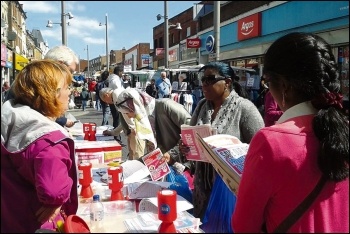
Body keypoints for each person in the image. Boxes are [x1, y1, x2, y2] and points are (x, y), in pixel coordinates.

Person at [232, 32, 349, 233]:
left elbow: (243, 226)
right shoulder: (343, 129)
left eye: (268, 83)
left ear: (284, 86)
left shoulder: (270, 142)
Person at [170, 61, 264, 232]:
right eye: (202, 79)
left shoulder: (245, 108)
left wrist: (229, 152)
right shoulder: (201, 106)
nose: (203, 84)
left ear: (227, 82)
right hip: (202, 188)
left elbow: (261, 150)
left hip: (229, 190)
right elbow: (188, 139)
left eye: (210, 79)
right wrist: (185, 149)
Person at [1, 60, 78, 233]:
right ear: (52, 93)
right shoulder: (48, 139)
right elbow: (53, 190)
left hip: (12, 218)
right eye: (66, 87)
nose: (69, 92)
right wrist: (57, 201)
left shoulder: (11, 118)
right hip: (39, 224)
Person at [5, 45, 79, 128]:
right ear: (60, 64)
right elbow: (42, 113)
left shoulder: (31, 78)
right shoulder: (34, 81)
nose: (71, 76)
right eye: (70, 71)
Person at [114, 88, 192, 160]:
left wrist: (173, 153)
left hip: (184, 163)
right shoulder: (143, 119)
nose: (129, 116)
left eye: (127, 112)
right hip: (166, 164)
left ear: (136, 105)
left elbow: (192, 130)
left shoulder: (166, 106)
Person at [107, 66, 125, 140]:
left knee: (117, 118)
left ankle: (116, 136)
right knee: (117, 119)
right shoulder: (115, 79)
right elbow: (118, 89)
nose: (122, 74)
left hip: (114, 100)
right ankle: (116, 137)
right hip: (117, 101)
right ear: (119, 72)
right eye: (122, 72)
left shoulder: (112, 79)